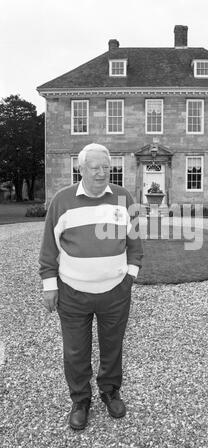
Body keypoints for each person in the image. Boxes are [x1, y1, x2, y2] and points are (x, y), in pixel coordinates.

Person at [39, 143, 143, 430]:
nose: (101, 173)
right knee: (75, 351)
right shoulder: (62, 200)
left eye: (106, 167)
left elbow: (135, 243)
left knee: (112, 347)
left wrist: (129, 276)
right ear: (80, 169)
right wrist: (50, 285)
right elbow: (49, 248)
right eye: (94, 167)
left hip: (115, 293)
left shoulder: (124, 198)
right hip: (72, 292)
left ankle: (110, 391)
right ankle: (80, 400)